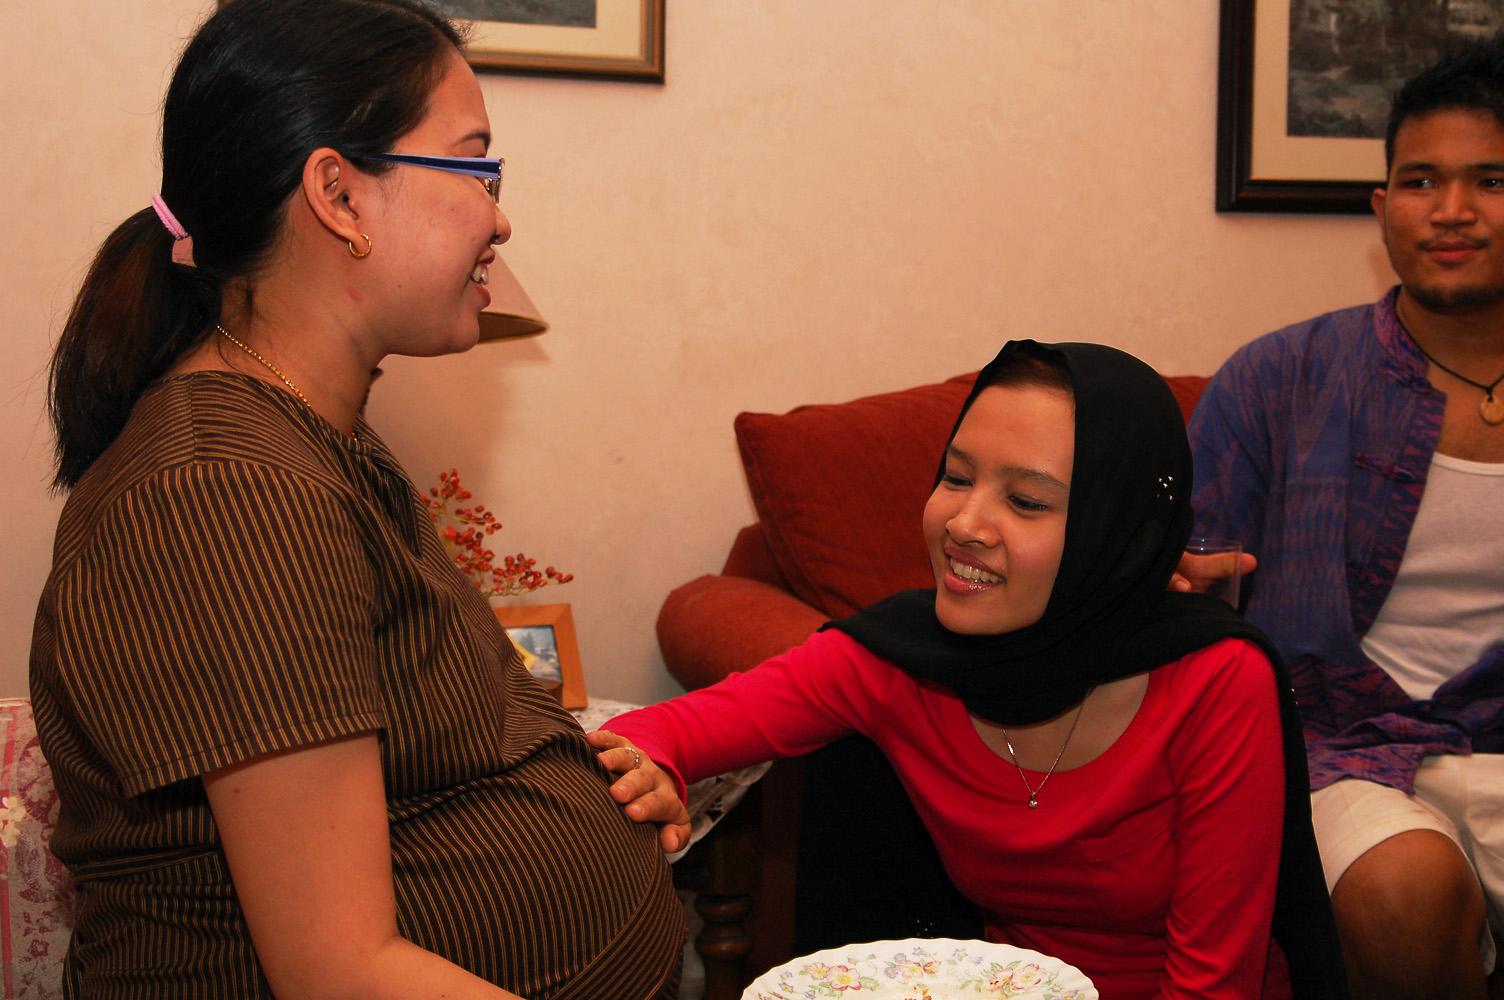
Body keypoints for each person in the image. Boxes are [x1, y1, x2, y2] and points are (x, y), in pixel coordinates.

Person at [28, 2, 683, 997]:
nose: (499, 217)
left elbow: (423, 736)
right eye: (476, 167)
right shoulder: (222, 494)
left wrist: (584, 776)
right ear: (337, 194)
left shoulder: (315, 440)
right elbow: (338, 970)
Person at [590, 340, 1348, 1000]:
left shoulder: (1215, 680)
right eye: (955, 478)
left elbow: (1213, 984)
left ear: (1114, 534)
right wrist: (649, 763)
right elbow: (656, 732)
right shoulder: (896, 659)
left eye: (1024, 499)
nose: (962, 523)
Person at [1185, 35, 1504, 1000]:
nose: (1451, 211)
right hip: (1335, 750)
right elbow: (1183, 585)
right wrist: (1175, 590)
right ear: (1382, 209)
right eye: (1420, 180)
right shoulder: (1278, 382)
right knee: (1402, 893)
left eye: (1489, 179)